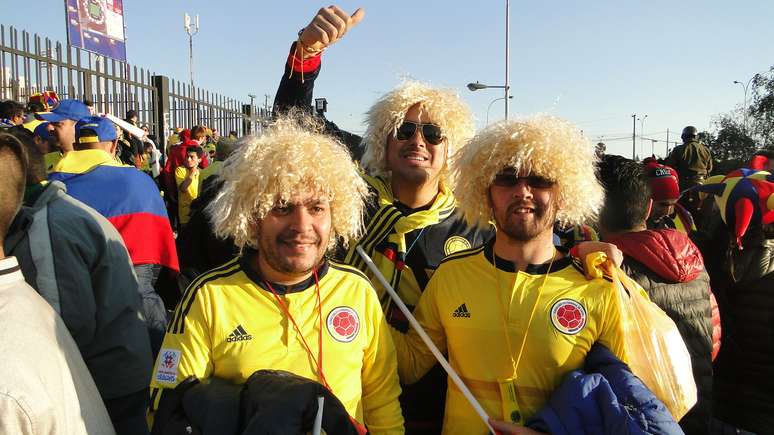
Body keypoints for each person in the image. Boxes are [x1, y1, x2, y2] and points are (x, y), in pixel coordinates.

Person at [275, 8, 493, 432]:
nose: (418, 140)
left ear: (450, 149)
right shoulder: (352, 202)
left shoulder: (476, 226)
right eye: (404, 129)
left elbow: (533, 259)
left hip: (439, 406)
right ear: (383, 141)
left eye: (433, 134)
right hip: (346, 392)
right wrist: (306, 54)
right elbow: (296, 126)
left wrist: (593, 253)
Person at [148, 115, 404, 433]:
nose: (301, 226)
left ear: (334, 216)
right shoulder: (210, 295)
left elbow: (382, 404)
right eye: (282, 207)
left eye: (317, 208)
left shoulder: (357, 290)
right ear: (254, 216)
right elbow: (167, 407)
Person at [392, 116, 628, 434]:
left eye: (540, 179)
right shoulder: (451, 275)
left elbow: (627, 403)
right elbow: (411, 364)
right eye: (506, 179)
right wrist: (354, 298)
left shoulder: (598, 285)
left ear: (563, 193)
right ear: (485, 193)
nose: (523, 191)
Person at [3, 129, 154, 434]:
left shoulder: (50, 227)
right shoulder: (59, 213)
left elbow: (66, 327)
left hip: (109, 384)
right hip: (119, 372)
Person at [596, 154, 717, 435]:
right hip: (697, 408)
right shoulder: (694, 260)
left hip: (641, 421)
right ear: (649, 207)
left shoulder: (604, 271)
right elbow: (714, 334)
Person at [48, 116, 178, 355]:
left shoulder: (54, 183)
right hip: (136, 276)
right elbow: (159, 239)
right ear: (112, 146)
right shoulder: (139, 181)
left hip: (79, 280)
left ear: (77, 144)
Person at [643, 159, 697, 234]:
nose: (668, 211)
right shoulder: (627, 226)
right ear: (643, 199)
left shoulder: (684, 217)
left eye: (673, 204)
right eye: (662, 204)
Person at [175, 145, 203, 226]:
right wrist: (193, 171)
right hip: (185, 215)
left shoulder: (202, 172)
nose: (188, 159)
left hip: (198, 213)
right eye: (187, 156)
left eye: (192, 157)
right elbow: (183, 188)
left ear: (199, 160)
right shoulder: (180, 170)